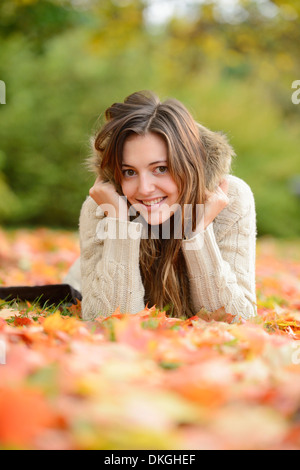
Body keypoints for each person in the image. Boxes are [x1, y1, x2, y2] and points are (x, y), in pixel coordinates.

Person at [64, 90, 257, 322]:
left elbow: (237, 320)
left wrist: (197, 231)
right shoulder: (103, 205)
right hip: (80, 283)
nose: (144, 189)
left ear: (189, 164)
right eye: (129, 172)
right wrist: (120, 225)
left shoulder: (230, 198)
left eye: (161, 168)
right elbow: (108, 322)